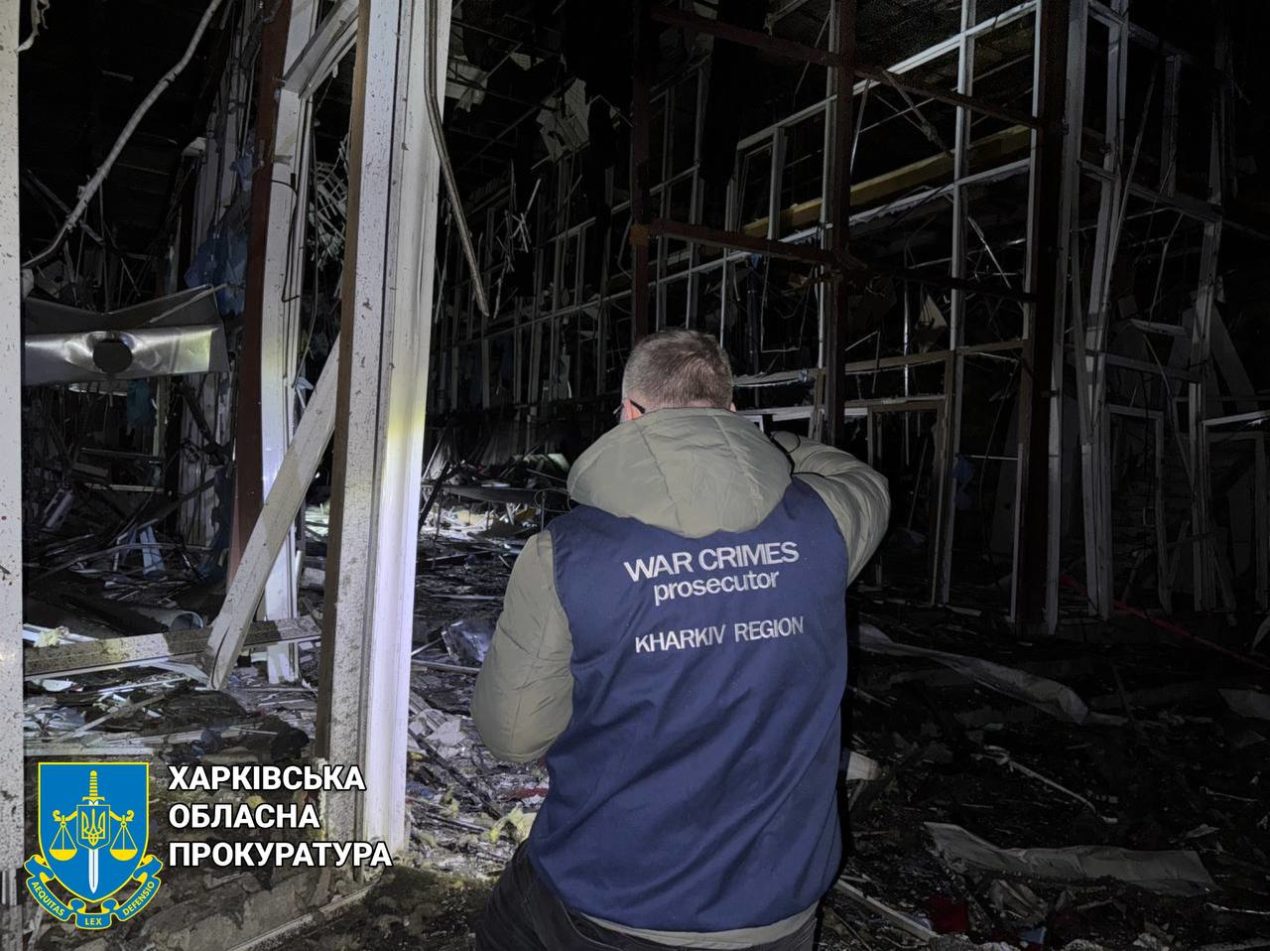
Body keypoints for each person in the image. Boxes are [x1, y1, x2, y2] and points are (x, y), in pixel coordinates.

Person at [472, 329, 890, 951]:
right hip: (777, 906)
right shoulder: (825, 525)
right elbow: (860, 479)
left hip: (612, 898)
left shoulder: (565, 555)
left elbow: (511, 736)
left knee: (506, 926)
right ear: (730, 413)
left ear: (629, 412)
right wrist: (766, 445)